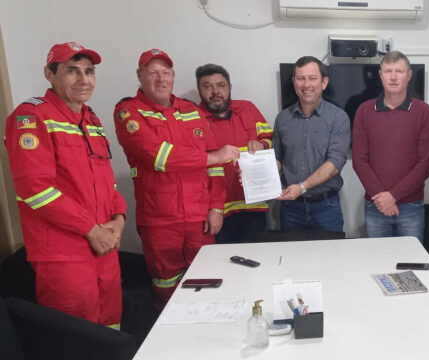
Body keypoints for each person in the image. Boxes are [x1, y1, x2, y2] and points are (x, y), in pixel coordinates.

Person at [4, 42, 126, 326]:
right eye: (72, 71)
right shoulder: (31, 116)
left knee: (111, 327)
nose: (84, 79)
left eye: (89, 71)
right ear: (50, 74)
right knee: (78, 335)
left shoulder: (91, 119)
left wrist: (118, 220)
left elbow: (107, 183)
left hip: (104, 245)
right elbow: (35, 189)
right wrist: (91, 230)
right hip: (64, 253)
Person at [114, 49, 239, 310]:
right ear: (140, 76)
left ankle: (206, 324)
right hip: (160, 219)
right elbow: (158, 156)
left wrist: (216, 207)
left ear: (173, 76)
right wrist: (213, 157)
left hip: (199, 218)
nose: (161, 79)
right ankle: (169, 326)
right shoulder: (128, 112)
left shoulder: (190, 110)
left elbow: (215, 168)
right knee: (166, 282)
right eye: (153, 73)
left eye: (166, 73)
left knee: (207, 277)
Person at [352, 51, 429, 242]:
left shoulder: (423, 112)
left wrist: (393, 196)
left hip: (411, 207)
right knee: (377, 259)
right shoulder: (364, 111)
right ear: (380, 75)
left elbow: (425, 164)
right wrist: (382, 199)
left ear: (409, 75)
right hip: (375, 205)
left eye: (399, 71)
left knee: (410, 259)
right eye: (388, 71)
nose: (393, 77)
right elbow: (359, 160)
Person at [196, 63, 274, 244]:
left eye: (221, 85)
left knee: (258, 256)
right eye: (207, 86)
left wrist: (262, 145)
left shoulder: (248, 109)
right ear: (199, 90)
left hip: (254, 205)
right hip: (216, 212)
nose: (215, 91)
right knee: (222, 259)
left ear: (229, 87)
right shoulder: (194, 118)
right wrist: (213, 209)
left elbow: (270, 139)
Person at [273, 56, 350, 232]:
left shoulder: (338, 118)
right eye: (300, 78)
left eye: (312, 78)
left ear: (324, 82)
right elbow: (277, 157)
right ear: (294, 82)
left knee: (330, 251)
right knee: (291, 250)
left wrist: (302, 187)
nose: (306, 84)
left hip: (326, 207)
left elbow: (335, 163)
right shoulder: (282, 119)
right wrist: (256, 173)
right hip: (291, 207)